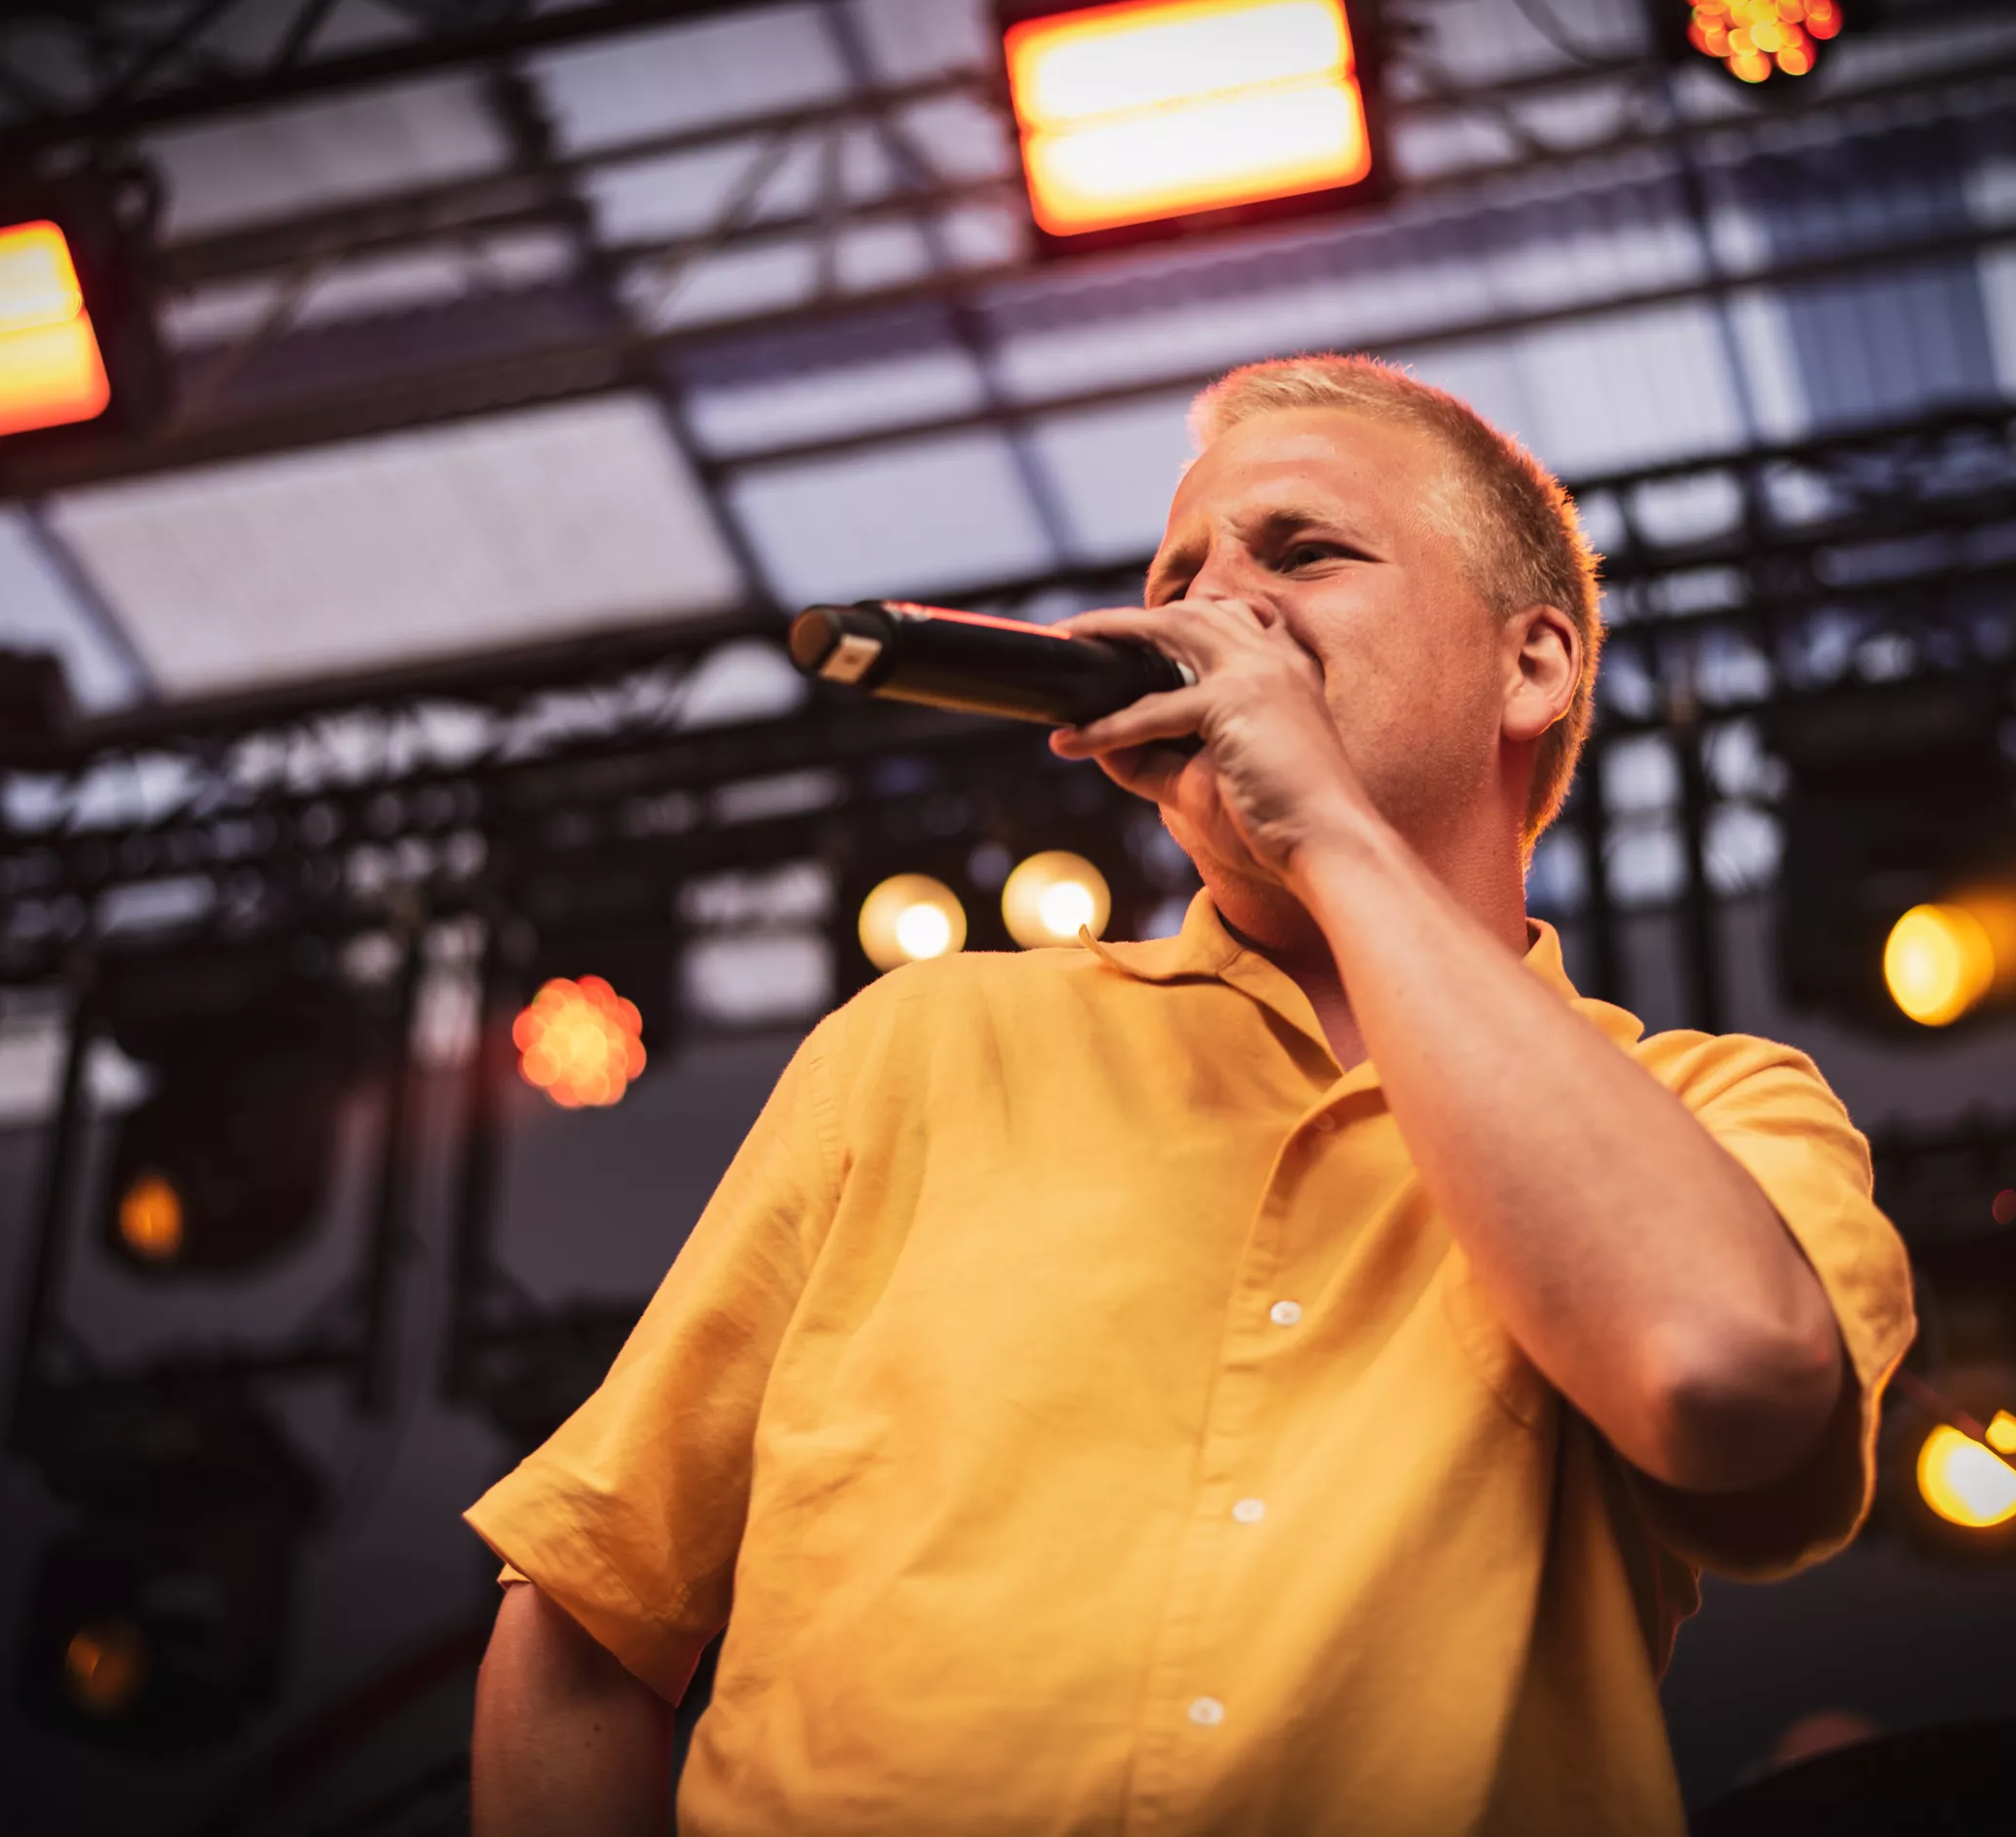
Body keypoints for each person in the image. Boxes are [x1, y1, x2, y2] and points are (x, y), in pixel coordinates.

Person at [466, 353, 1916, 1834]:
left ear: (1532, 667)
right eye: (1181, 577)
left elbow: (1723, 1380)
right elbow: (587, 1623)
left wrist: (1330, 833)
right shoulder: (924, 1046)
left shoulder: (1714, 1108)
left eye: (1305, 553)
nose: (1215, 607)